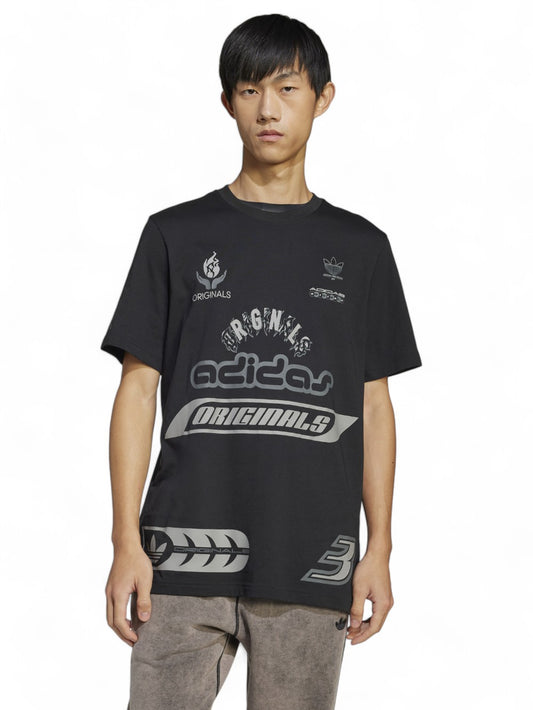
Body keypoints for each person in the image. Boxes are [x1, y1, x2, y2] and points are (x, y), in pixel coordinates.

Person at [100, 13, 422, 710]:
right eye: (249, 90)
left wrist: (379, 549)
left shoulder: (361, 249)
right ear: (227, 102)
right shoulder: (175, 235)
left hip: (312, 560)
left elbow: (373, 405)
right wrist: (125, 541)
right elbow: (137, 390)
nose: (268, 109)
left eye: (286, 88)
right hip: (177, 557)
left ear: (323, 98)